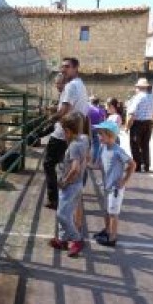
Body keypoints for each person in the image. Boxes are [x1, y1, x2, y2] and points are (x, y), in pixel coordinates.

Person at [43, 57, 89, 209]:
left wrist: (50, 119)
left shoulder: (71, 86)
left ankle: (54, 199)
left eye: (67, 67)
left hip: (63, 133)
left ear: (76, 68)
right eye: (62, 66)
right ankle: (69, 198)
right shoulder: (81, 85)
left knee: (49, 163)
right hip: (76, 133)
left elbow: (64, 111)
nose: (63, 69)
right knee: (69, 164)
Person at [92, 120, 136, 247]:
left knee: (113, 213)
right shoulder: (102, 147)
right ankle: (107, 231)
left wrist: (124, 180)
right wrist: (87, 164)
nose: (99, 136)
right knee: (106, 211)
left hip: (115, 188)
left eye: (101, 134)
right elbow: (99, 165)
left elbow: (132, 164)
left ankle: (112, 238)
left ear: (110, 135)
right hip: (107, 186)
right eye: (99, 133)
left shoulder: (118, 151)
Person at [49, 113, 87, 257]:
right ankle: (62, 240)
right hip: (77, 185)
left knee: (61, 215)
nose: (63, 134)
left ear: (68, 131)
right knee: (65, 212)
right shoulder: (83, 140)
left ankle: (77, 239)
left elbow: (75, 168)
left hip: (70, 186)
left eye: (64, 131)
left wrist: (65, 181)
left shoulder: (74, 146)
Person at [126, 78, 153, 172]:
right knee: (145, 145)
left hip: (138, 124)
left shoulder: (137, 98)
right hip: (148, 123)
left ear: (138, 87)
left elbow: (132, 114)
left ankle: (137, 165)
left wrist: (127, 126)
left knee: (135, 145)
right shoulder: (152, 98)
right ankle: (146, 165)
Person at [87, 98, 107, 164]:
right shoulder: (101, 110)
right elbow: (103, 120)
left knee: (88, 144)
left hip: (88, 128)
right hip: (97, 129)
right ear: (98, 103)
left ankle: (87, 160)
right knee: (96, 145)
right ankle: (94, 161)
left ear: (91, 102)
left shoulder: (88, 109)